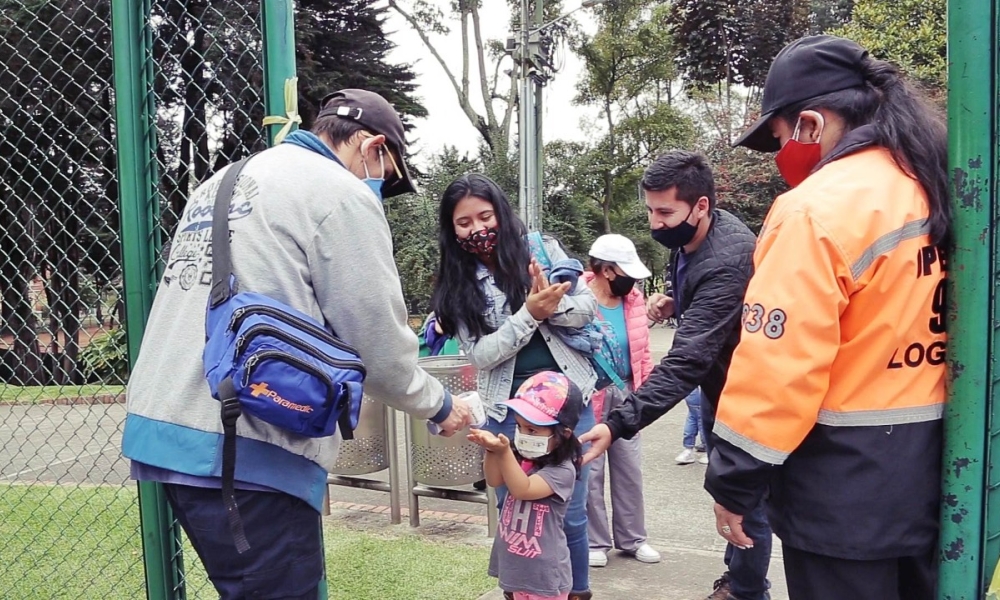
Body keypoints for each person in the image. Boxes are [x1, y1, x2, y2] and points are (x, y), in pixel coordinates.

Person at [121, 89, 471, 599]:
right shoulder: (339, 193)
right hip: (247, 443)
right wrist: (438, 405)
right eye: (388, 177)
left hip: (170, 428)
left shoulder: (224, 180)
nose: (381, 190)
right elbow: (375, 341)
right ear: (373, 148)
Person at [705, 35, 950, 600]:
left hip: (842, 496)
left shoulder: (816, 210)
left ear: (811, 124)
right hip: (941, 479)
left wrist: (734, 481)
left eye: (780, 137)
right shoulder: (937, 186)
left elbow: (778, 367)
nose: (782, 153)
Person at [579, 151, 770, 600]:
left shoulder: (728, 258)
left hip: (745, 397)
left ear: (701, 205)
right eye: (649, 210)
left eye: (665, 212)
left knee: (745, 503)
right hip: (718, 389)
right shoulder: (690, 243)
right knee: (731, 498)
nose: (655, 223)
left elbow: (686, 362)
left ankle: (746, 591)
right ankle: (736, 578)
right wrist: (679, 304)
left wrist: (618, 422)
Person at [431, 173, 598, 600]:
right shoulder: (455, 284)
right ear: (452, 230)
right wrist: (529, 313)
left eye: (485, 216)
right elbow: (482, 355)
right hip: (510, 411)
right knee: (515, 510)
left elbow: (586, 309)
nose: (477, 229)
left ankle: (573, 592)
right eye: (464, 222)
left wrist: (550, 307)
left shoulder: (540, 249)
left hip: (566, 404)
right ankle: (521, 590)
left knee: (570, 513)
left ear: (501, 213)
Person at [468, 371, 586, 600]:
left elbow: (523, 489)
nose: (523, 435)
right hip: (517, 567)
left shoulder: (562, 471)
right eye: (520, 427)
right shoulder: (523, 459)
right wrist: (492, 450)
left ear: (563, 433)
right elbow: (494, 480)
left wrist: (504, 452)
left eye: (533, 430)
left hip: (544, 575)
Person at [582, 234, 660, 567]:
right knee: (592, 468)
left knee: (629, 468)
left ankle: (633, 539)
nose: (632, 280)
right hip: (590, 393)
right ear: (608, 270)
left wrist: (646, 391)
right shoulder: (577, 298)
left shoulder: (634, 300)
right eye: (626, 272)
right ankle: (595, 541)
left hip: (629, 390)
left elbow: (642, 352)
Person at [676, 388, 708, 465]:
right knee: (702, 419)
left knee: (692, 416)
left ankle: (688, 449)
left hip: (690, 388)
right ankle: (708, 450)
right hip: (703, 390)